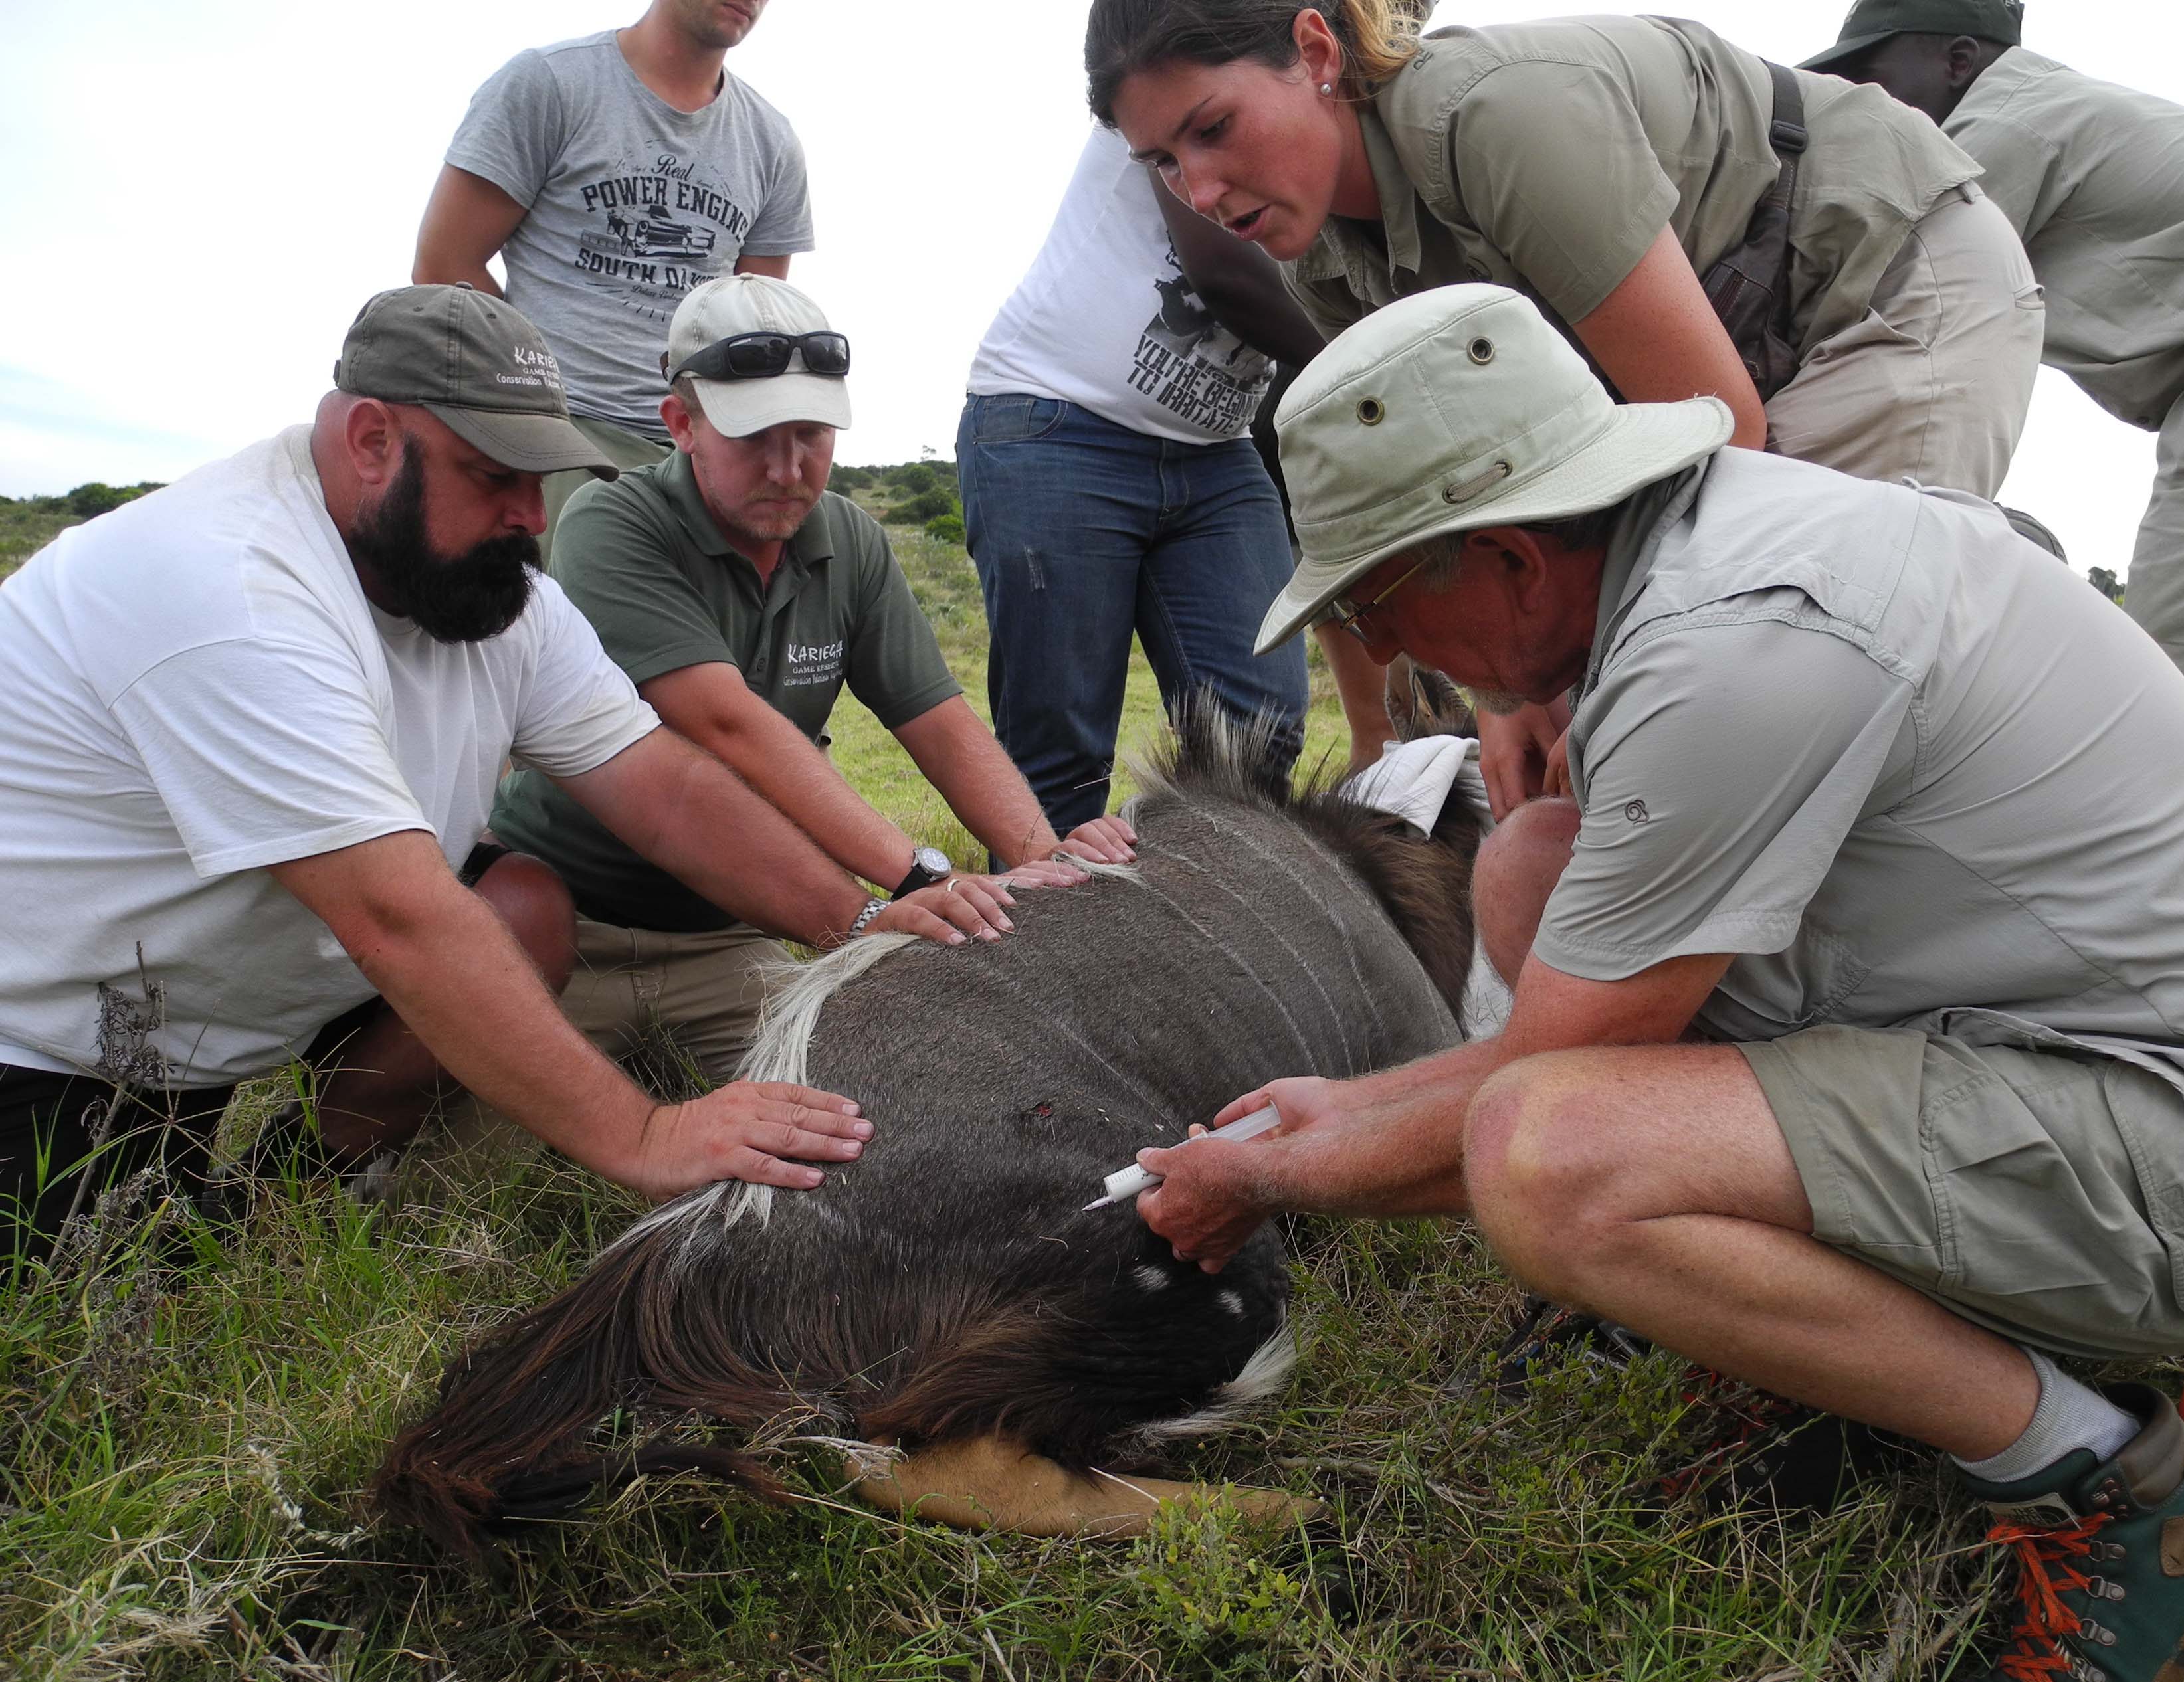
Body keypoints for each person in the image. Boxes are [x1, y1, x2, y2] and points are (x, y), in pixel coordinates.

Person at [1132, 286, 2184, 1682]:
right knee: (1537, 857)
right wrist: (1336, 1109)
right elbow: (1564, 1008)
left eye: (1370, 598)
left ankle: (2115, 1480)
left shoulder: (1732, 647)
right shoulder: (1720, 548)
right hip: (2082, 1064)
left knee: (1551, 1166)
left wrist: (1271, 1170)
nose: (1373, 643)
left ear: (1506, 552)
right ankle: (1861, 1348)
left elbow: (1537, 1097)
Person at [0, 286, 1015, 1251]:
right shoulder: (231, 593)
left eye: (541, 474)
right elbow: (399, 919)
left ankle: (300, 1183)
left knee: (522, 901)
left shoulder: (484, 588)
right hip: (59, 1038)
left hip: (238, 999)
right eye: (495, 476)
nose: (533, 513)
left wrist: (862, 922)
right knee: (110, 1293)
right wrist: (647, 1137)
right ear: (371, 441)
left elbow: (662, 786)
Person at [1086, 0, 2048, 813]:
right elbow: (1459, 499)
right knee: (1634, 706)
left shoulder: (1497, 119)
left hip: (1880, 271)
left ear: (1315, 51)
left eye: (1213, 129)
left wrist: (1575, 680)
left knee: (1793, 648)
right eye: (1162, 163)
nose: (1200, 190)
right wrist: (1509, 692)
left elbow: (1724, 434)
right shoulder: (1327, 265)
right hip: (1732, 330)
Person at [490, 276, 1131, 1081]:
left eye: (813, 435)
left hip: (729, 931)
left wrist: (1041, 860)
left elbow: (938, 720)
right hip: (566, 918)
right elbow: (727, 726)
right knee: (470, 1166)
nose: (789, 468)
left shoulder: (850, 540)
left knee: (856, 1111)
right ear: (681, 424)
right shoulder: (612, 521)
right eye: (756, 436)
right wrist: (919, 880)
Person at [1804, 0, 2184, 761]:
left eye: (1871, 78)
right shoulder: (2057, 107)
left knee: (2160, 745)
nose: (1863, 106)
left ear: (1959, 61)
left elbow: (1873, 307)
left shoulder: (1995, 135)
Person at [958, 126, 1314, 834]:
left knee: (1258, 734)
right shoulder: (1181, 65)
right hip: (1058, 423)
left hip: (1217, 446)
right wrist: (1386, 362)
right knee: (1060, 755)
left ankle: (1195, 924)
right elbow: (1225, 272)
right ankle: (1044, 942)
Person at [413, 0, 813, 559]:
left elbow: (758, 325)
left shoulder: (771, 142)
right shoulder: (550, 85)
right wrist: (531, 401)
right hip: (557, 443)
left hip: (701, 455)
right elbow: (442, 267)